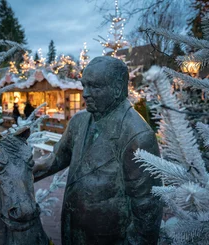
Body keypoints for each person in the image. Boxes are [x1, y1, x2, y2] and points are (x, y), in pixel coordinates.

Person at [34, 56, 162, 245]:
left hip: (108, 237)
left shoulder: (138, 136)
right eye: (84, 85)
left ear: (118, 88)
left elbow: (147, 209)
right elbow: (57, 158)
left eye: (95, 87)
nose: (85, 93)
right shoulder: (79, 121)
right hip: (72, 229)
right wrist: (26, 170)